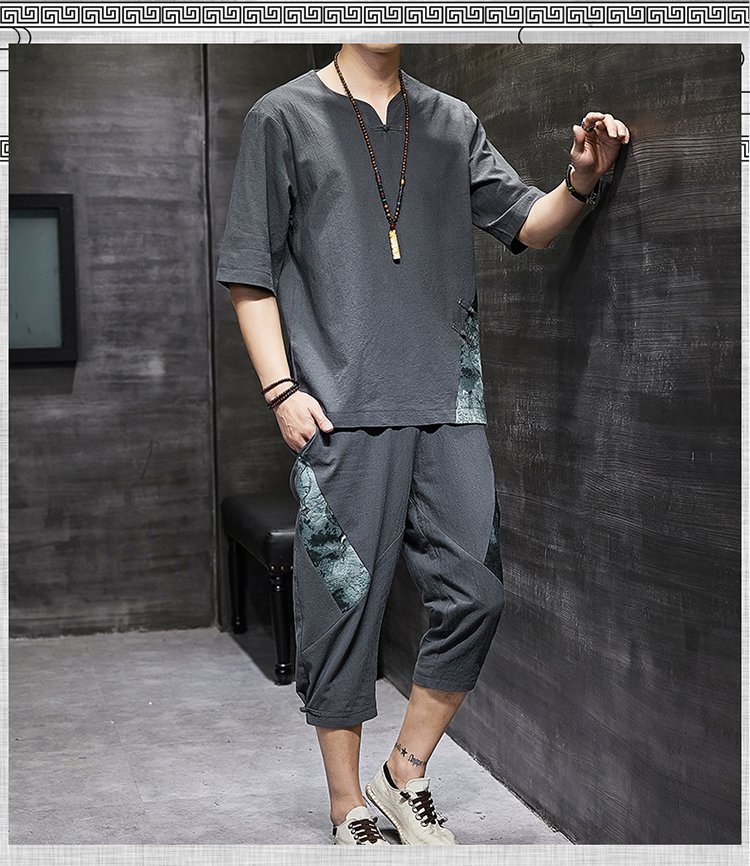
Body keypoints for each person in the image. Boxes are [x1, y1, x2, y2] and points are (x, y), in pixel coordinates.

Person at [216, 42, 629, 846]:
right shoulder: (283, 116)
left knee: (477, 595)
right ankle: (347, 806)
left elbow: (530, 224)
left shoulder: (450, 121)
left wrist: (583, 179)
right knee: (341, 604)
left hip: (449, 402)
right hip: (339, 405)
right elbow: (248, 269)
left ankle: (404, 772)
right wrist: (281, 391)